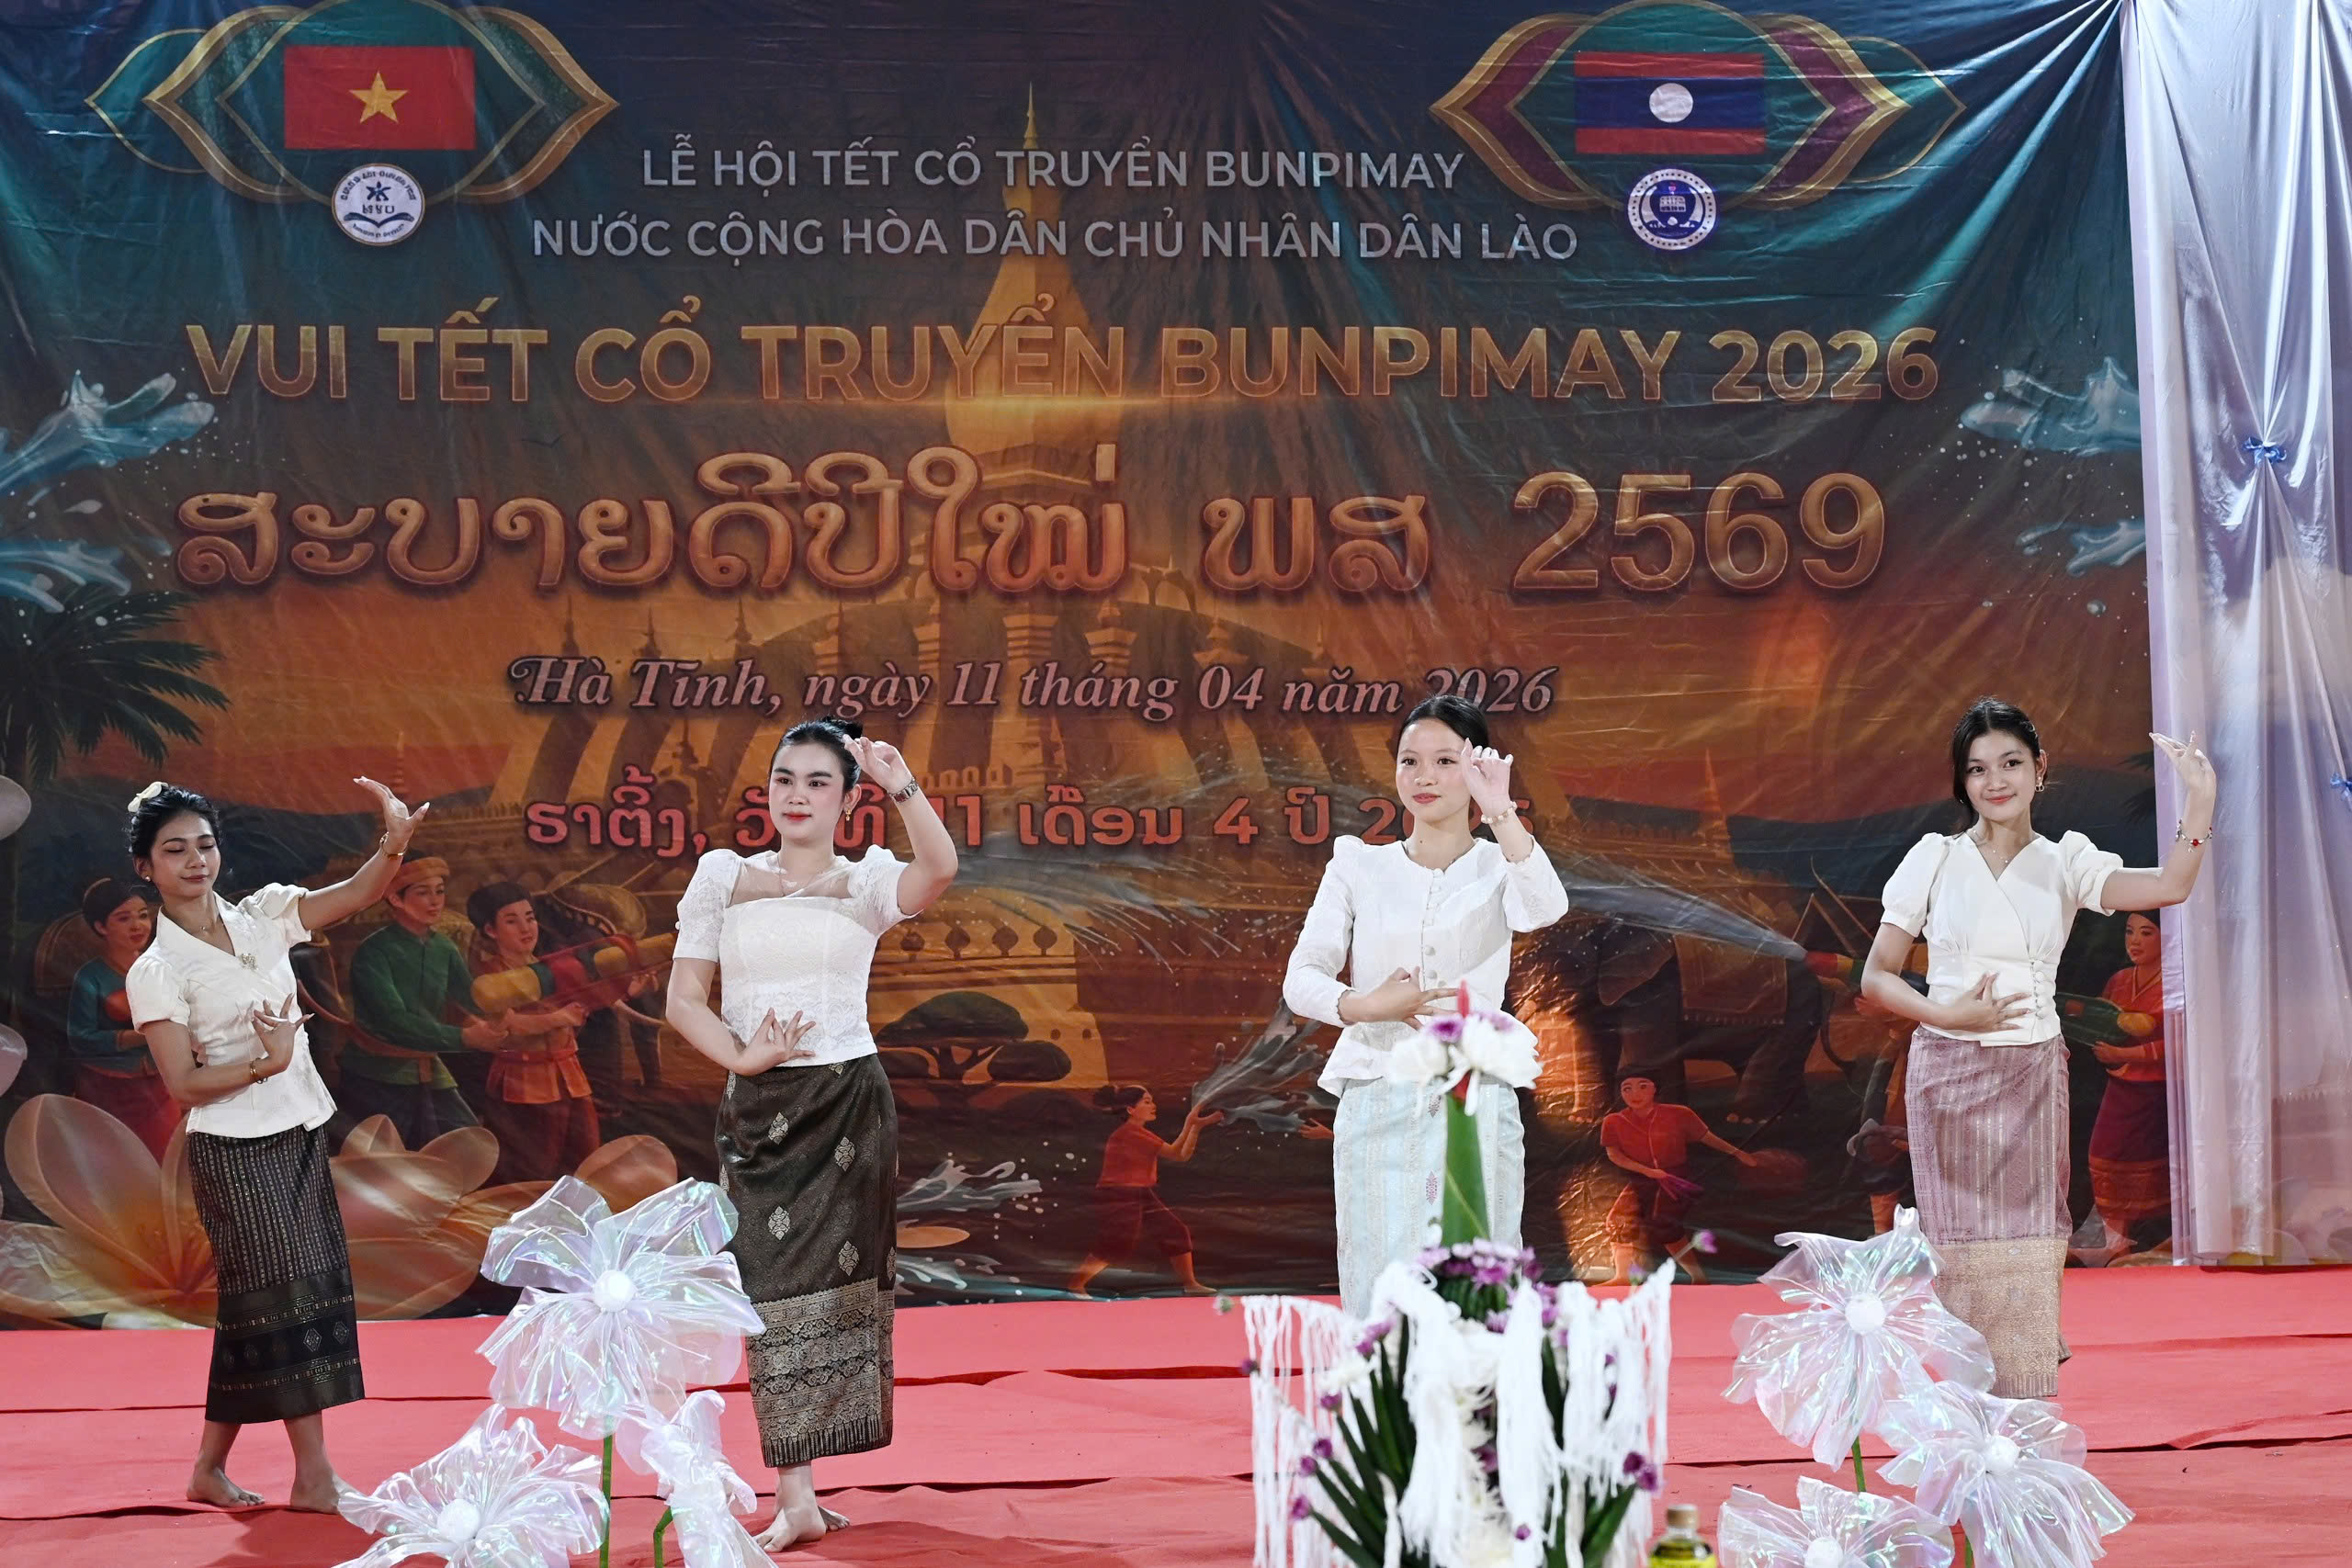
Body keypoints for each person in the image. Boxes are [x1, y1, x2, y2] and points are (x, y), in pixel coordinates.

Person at [1860, 700, 2212, 1396]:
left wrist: (2199, 799)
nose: (1996, 781)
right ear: (1962, 782)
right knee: (1961, 1251)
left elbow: (2170, 885)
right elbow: (1877, 976)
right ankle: (1966, 1409)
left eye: (2011, 763)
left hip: (2031, 1070)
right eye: (1978, 769)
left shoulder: (2066, 859)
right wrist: (1947, 1012)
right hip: (1947, 1074)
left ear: (2039, 768)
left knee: (2030, 1244)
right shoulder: (1934, 858)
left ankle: (2024, 1416)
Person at [665, 718, 956, 1551]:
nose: (796, 795)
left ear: (849, 799)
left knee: (834, 1293)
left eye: (818, 781)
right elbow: (683, 1000)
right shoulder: (723, 875)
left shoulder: (866, 881)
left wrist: (903, 783)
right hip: (759, 1111)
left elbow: (940, 869)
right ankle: (795, 1492)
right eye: (784, 779)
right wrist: (743, 1057)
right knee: (770, 1294)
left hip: (848, 1104)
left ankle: (800, 1495)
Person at [122, 775, 425, 1510]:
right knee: (285, 1298)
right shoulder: (156, 970)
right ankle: (314, 1475)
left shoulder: (262, 915)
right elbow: (185, 1083)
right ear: (145, 866)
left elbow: (353, 893)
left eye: (205, 844)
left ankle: (207, 1468)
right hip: (232, 1150)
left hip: (297, 1129)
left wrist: (392, 844)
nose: (196, 860)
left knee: (263, 1303)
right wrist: (268, 1059)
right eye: (175, 849)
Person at [1283, 694, 1570, 1316]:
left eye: (1446, 761)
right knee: (1381, 1274)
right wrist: (1365, 1004)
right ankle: (1386, 1379)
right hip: (1378, 1088)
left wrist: (1500, 810)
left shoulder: (1502, 861)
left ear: (1476, 767)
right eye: (1410, 760)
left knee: (1479, 1271)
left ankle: (1478, 1380)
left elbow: (1546, 908)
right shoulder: (1359, 865)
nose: (1424, 776)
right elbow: (1301, 978)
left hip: (1475, 1092)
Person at [341, 856, 503, 1145]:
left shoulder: (443, 947)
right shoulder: (374, 952)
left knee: (470, 1142)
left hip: (427, 1066)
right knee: (387, 1156)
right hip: (377, 1072)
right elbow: (394, 1022)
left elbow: (471, 997)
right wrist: (465, 1037)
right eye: (423, 893)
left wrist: (501, 1014)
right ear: (396, 899)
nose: (435, 901)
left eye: (439, 891)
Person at [465, 882, 601, 1185]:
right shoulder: (488, 975)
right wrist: (558, 1018)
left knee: (585, 1157)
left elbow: (578, 1010)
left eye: (530, 918)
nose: (526, 928)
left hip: (569, 1075)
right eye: (512, 921)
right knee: (534, 1167)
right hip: (523, 1081)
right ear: (491, 930)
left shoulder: (550, 967)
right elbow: (507, 1025)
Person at [1600, 1071, 1758, 1284]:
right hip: (1641, 1178)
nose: (1635, 1094)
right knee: (1618, 1220)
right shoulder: (1614, 1121)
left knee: (1664, 1224)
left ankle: (1698, 1276)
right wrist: (1646, 1171)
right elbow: (1614, 1155)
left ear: (1655, 1089)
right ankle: (1622, 1275)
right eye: (1627, 1088)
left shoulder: (1679, 1114)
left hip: (1675, 1177)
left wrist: (1737, 1153)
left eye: (1643, 1086)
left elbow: (1707, 1137)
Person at [1068, 1086, 1225, 1298]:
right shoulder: (1130, 1133)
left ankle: (1190, 1284)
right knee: (1118, 1243)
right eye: (1147, 1102)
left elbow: (1181, 1156)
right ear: (1131, 1109)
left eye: (1152, 1101)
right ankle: (1076, 1285)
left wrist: (1195, 1128)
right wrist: (1190, 1122)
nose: (1153, 1106)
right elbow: (1175, 1152)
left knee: (1175, 1232)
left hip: (1140, 1191)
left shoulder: (1139, 1132)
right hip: (1119, 1192)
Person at [65, 876, 179, 1159]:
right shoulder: (90, 978)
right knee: (115, 1162)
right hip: (109, 1089)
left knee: (166, 1156)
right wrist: (138, 1037)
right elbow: (79, 1038)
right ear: (101, 927)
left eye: (143, 915)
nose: (137, 925)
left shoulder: (161, 967)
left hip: (162, 1084)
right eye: (123, 918)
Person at [2082, 909, 2170, 1261]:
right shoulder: (2119, 980)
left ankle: (2126, 1238)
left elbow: (2180, 1041)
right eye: (2129, 932)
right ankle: (2112, 1237)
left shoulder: (2176, 981)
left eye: (2147, 933)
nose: (2135, 941)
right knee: (2102, 1156)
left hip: (2158, 1089)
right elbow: (2100, 1021)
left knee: (2139, 1158)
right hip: (2120, 1085)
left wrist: (2125, 1052)